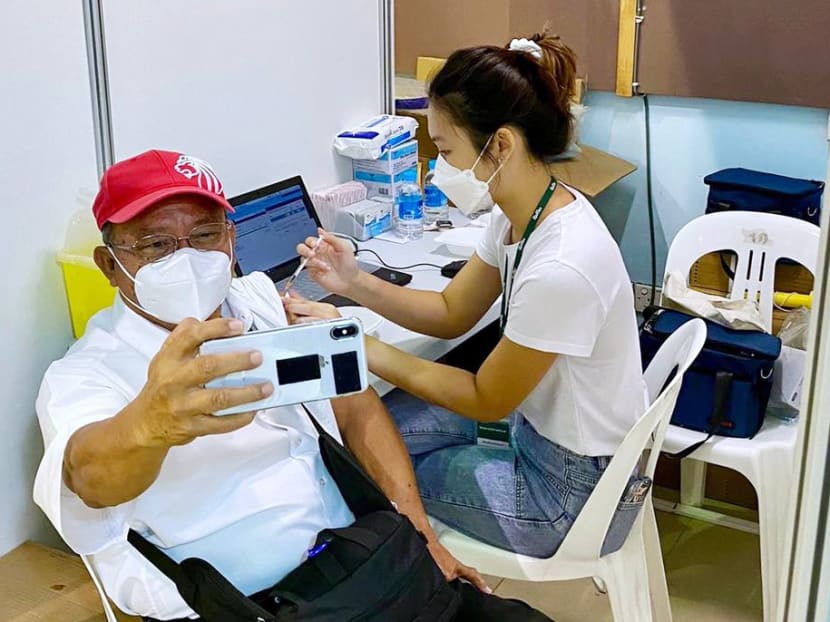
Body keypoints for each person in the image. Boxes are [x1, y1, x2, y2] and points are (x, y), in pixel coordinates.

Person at [32, 150, 554, 621]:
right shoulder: (87, 373)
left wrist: (418, 532)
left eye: (205, 235)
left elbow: (355, 405)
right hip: (238, 603)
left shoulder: (258, 302)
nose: (186, 258)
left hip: (366, 564)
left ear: (231, 240)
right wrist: (150, 425)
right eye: (156, 243)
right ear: (109, 264)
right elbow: (87, 475)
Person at [287, 31, 647, 559]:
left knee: (367, 465)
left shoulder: (562, 264)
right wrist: (353, 282)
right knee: (371, 428)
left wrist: (353, 343)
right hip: (547, 440)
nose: (440, 169)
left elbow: (486, 397)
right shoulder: (524, 211)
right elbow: (452, 311)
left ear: (500, 144)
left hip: (571, 496)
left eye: (448, 150)